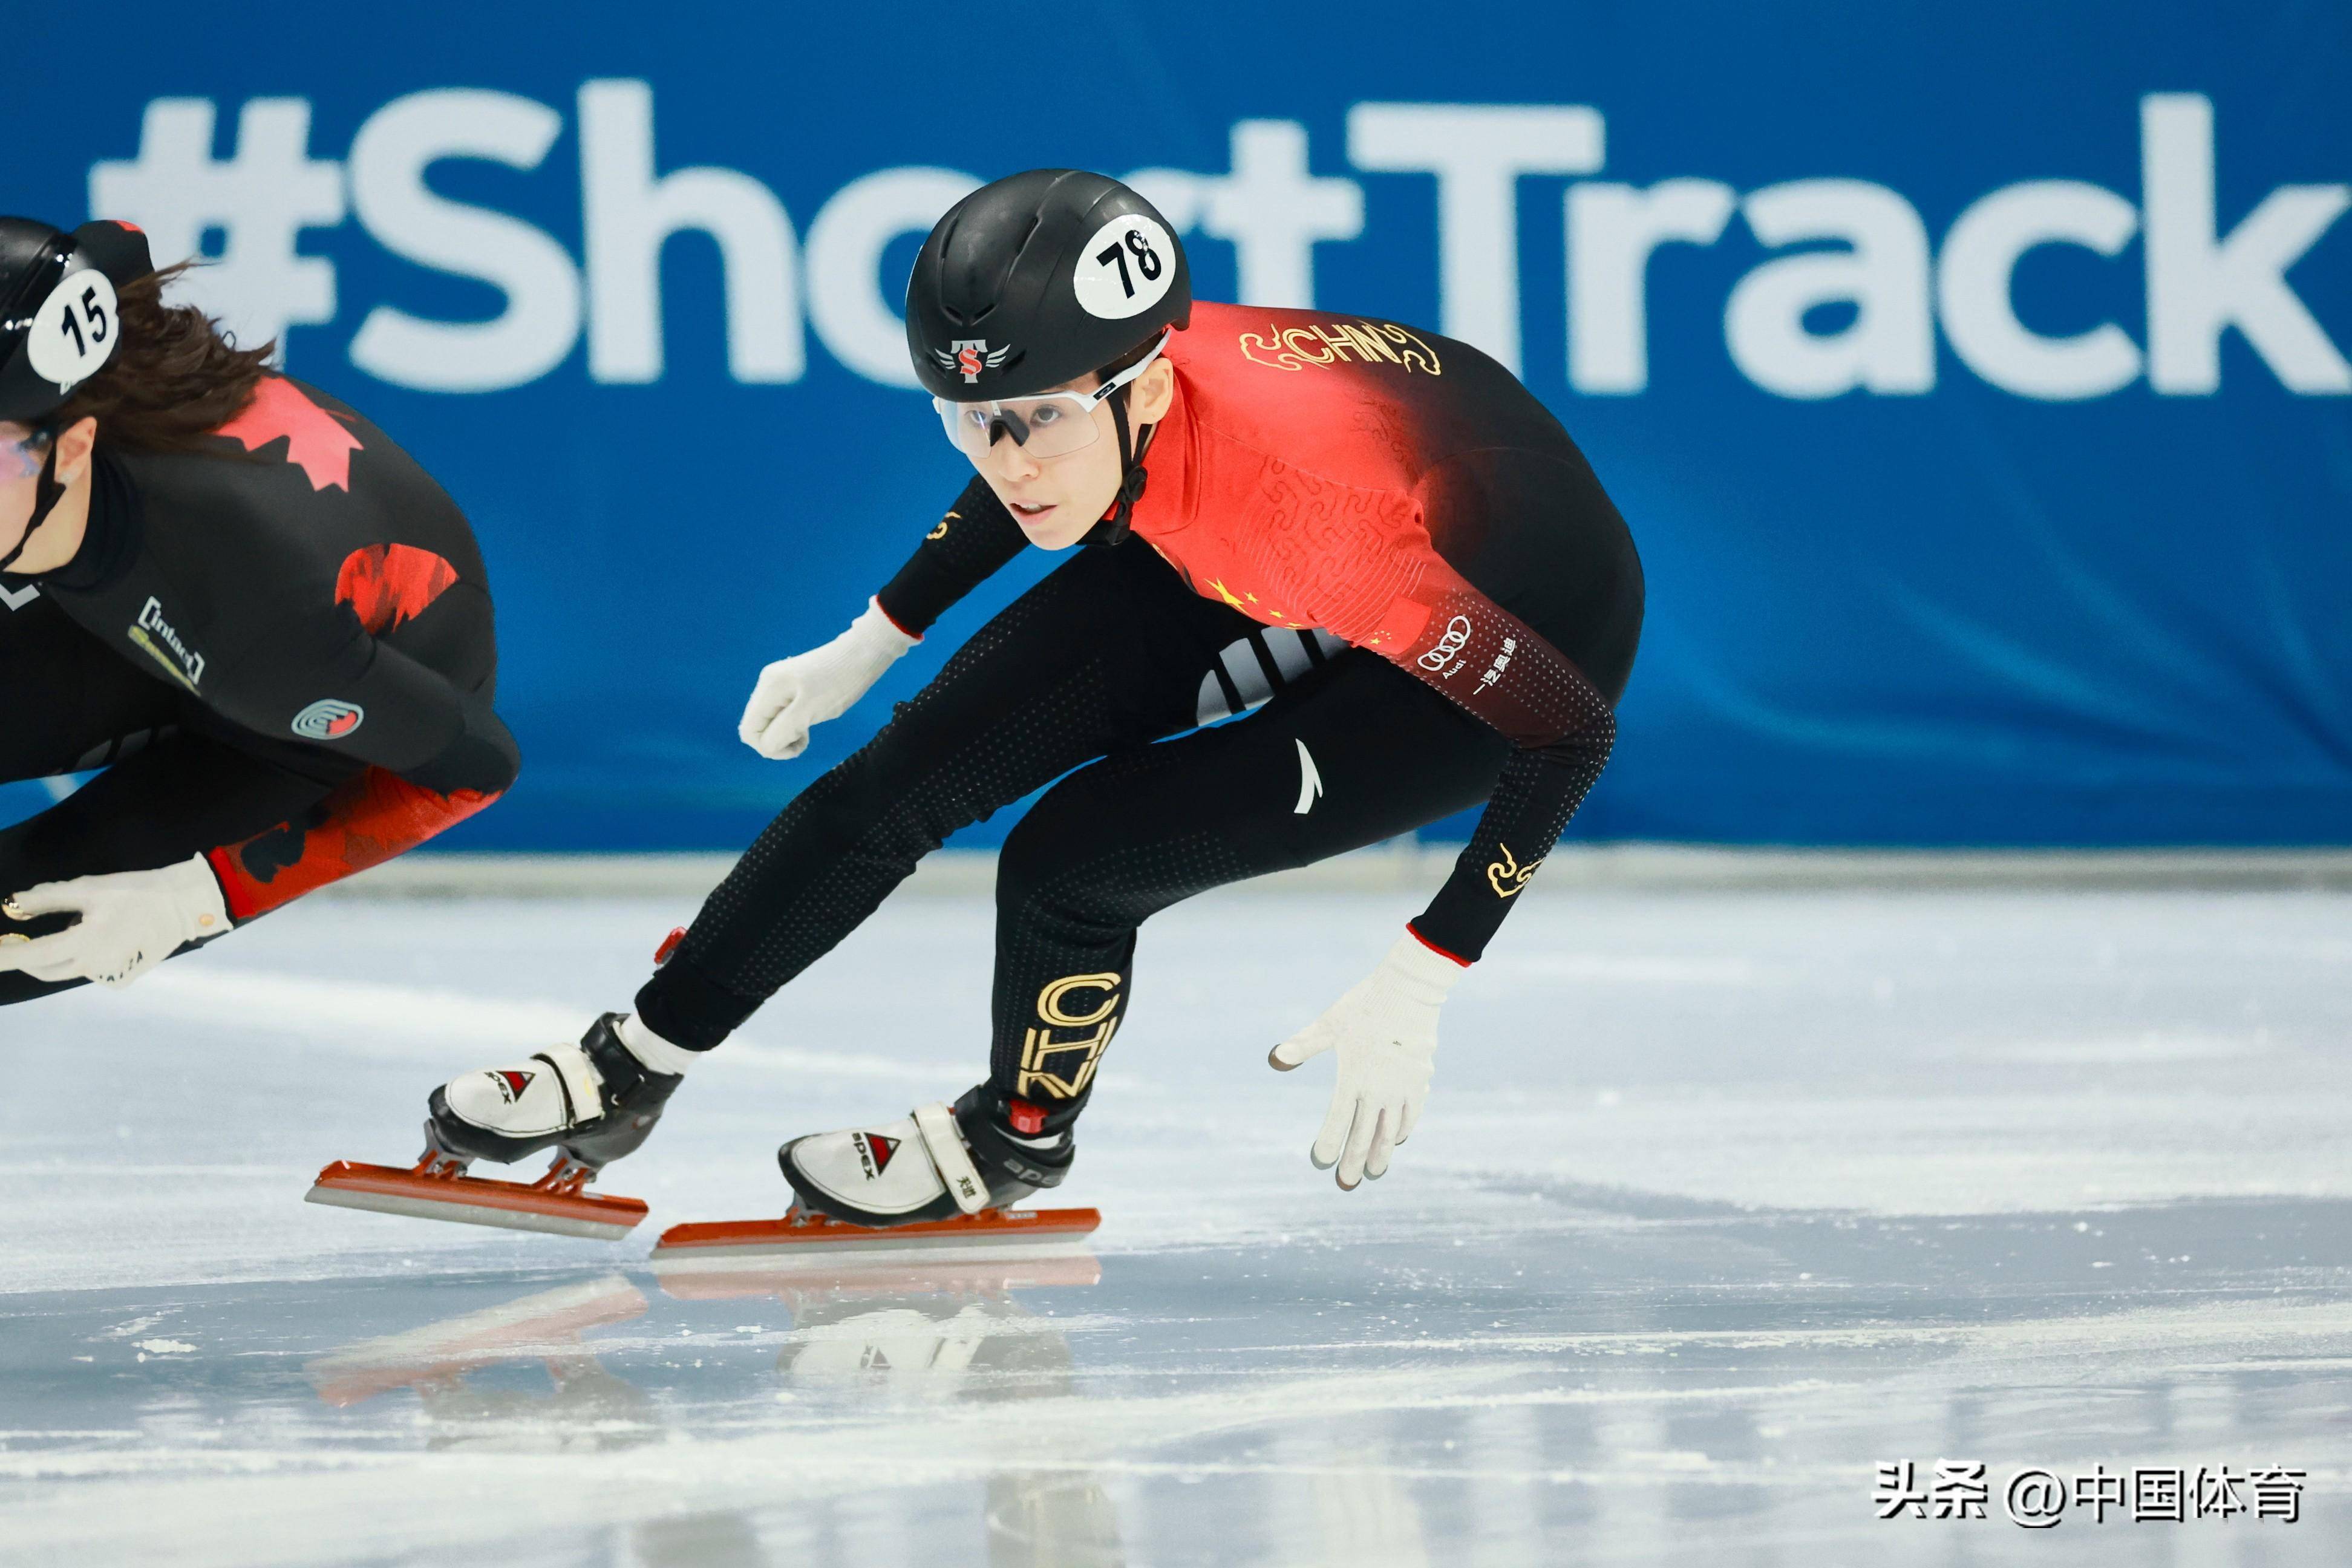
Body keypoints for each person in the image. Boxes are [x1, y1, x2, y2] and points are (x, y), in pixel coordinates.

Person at [423, 169, 1639, 1220]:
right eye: (971, 424)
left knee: (1073, 862)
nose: (1011, 463)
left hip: (1506, 628)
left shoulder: (1312, 518)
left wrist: (1430, 967)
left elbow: (1573, 733)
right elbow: (1038, 460)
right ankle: (632, 1064)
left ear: (1145, 391)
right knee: (900, 778)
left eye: (1041, 420)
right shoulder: (1103, 393)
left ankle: (1013, 1140)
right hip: (1250, 523)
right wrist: (873, 640)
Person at [0, 218, 520, 1002]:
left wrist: (205, 896)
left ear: (70, 449)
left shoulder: (265, 630)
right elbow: (119, 242)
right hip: (147, 590)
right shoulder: (62, 314)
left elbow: (478, 767)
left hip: (289, 717)